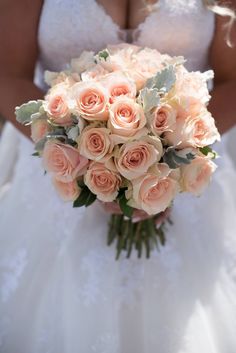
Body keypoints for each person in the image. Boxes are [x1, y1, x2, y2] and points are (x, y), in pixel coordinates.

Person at [0, 1, 236, 352]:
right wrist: (85, 160)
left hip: (188, 185)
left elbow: (233, 80)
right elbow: (9, 75)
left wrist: (168, 166)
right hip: (58, 183)